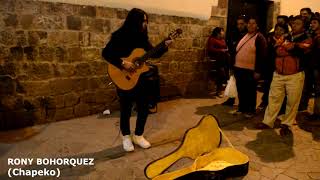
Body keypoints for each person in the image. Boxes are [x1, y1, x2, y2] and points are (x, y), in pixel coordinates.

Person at [102, 8, 172, 152]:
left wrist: (164, 47)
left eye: (146, 21)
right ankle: (126, 136)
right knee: (126, 109)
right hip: (124, 77)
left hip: (141, 79)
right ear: (134, 21)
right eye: (143, 21)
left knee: (143, 108)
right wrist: (123, 63)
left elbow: (153, 54)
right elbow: (106, 53)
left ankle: (138, 135)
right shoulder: (119, 36)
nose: (145, 24)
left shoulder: (142, 38)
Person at [256, 16, 312, 136]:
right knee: (273, 99)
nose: (294, 25)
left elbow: (301, 51)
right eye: (294, 23)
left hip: (294, 75)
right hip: (278, 74)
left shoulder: (307, 38)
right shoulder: (286, 36)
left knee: (292, 101)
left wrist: (290, 46)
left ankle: (286, 124)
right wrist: (290, 46)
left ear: (303, 26)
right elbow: (277, 49)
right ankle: (268, 122)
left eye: (298, 24)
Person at [230, 17, 267, 118]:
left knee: (250, 91)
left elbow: (262, 56)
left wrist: (258, 71)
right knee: (241, 89)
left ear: (257, 25)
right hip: (239, 68)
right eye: (249, 23)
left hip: (250, 70)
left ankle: (250, 110)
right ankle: (242, 108)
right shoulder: (245, 35)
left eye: (253, 23)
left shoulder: (260, 38)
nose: (250, 25)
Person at [222, 15, 248, 106]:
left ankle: (243, 103)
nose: (239, 26)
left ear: (246, 24)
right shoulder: (235, 34)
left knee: (243, 84)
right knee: (233, 80)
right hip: (234, 61)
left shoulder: (248, 35)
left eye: (242, 24)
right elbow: (232, 48)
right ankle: (231, 99)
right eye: (238, 24)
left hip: (244, 62)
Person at [207, 27, 230, 97]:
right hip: (216, 58)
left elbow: (225, 47)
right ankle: (219, 90)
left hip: (223, 59)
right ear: (218, 33)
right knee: (221, 73)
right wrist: (220, 50)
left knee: (223, 72)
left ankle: (221, 89)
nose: (223, 32)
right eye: (222, 31)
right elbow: (210, 49)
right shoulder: (212, 39)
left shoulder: (222, 40)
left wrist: (226, 49)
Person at [307, 17, 320, 120]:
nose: (312, 25)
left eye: (314, 23)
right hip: (315, 66)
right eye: (311, 23)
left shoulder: (318, 37)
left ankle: (317, 113)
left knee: (318, 90)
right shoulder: (314, 35)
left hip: (318, 67)